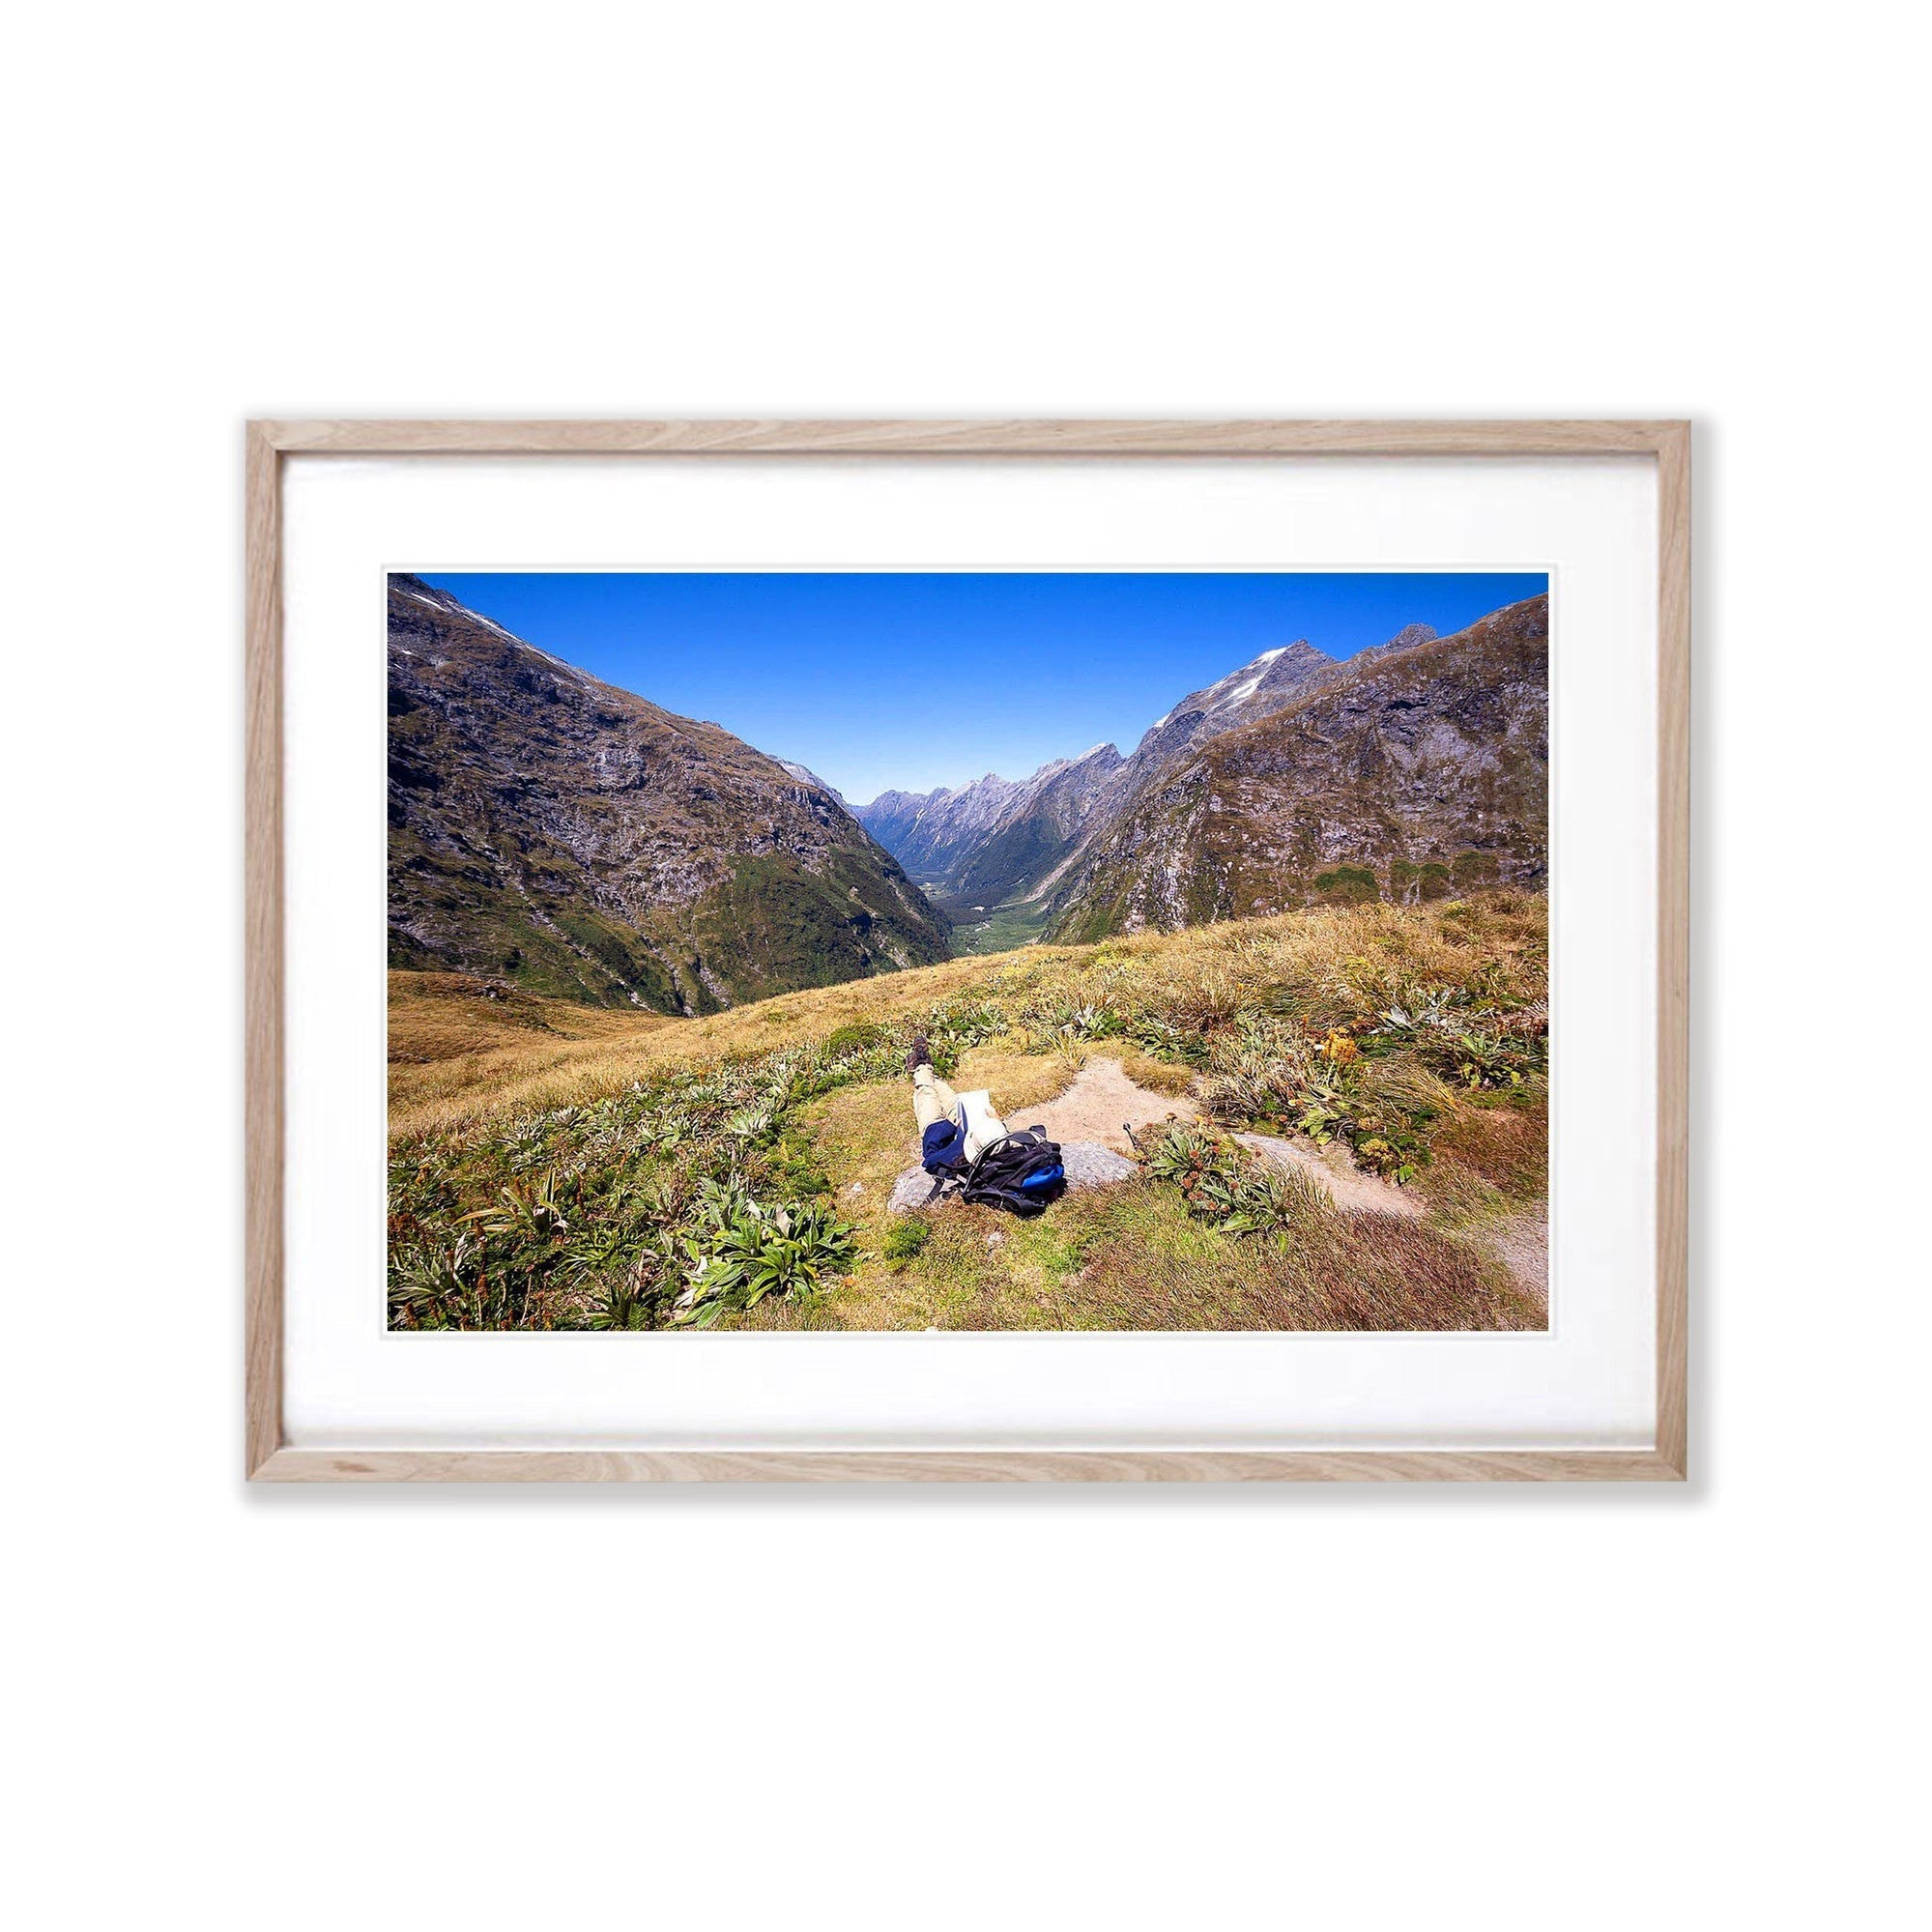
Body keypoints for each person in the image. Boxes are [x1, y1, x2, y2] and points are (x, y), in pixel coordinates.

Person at [907, 1035, 1008, 1174]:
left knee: (926, 1091)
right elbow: (995, 1138)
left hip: (936, 1128)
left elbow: (929, 1161)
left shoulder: (958, 1155)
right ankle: (925, 1067)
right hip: (962, 1126)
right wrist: (996, 1122)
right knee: (949, 1095)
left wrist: (948, 1128)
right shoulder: (1005, 1150)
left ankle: (921, 1066)